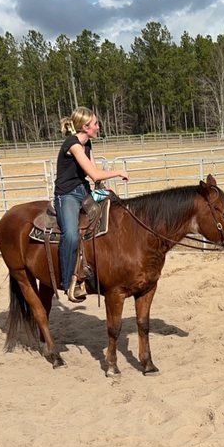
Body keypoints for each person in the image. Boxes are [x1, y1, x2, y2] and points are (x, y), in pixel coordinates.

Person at [54, 107, 129, 302]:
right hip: (67, 195)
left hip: (84, 192)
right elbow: (95, 173)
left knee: (115, 211)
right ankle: (68, 281)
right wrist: (118, 172)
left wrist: (104, 191)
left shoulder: (88, 146)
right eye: (95, 124)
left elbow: (95, 177)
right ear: (85, 127)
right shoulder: (73, 145)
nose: (98, 127)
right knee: (70, 233)